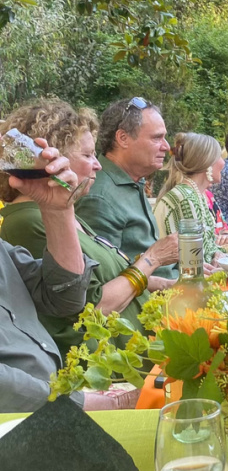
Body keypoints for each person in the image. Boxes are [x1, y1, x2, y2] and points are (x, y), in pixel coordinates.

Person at [0, 99, 177, 360]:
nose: (98, 164)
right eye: (87, 155)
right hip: (113, 370)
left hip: (144, 351)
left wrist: (161, 283)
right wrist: (154, 259)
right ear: (48, 158)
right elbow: (88, 308)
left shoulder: (63, 213)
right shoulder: (28, 222)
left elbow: (102, 277)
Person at [0, 128, 130, 412]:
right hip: (26, 423)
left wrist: (58, 210)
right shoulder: (21, 222)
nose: (97, 164)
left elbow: (65, 299)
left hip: (58, 399)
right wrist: (78, 403)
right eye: (86, 154)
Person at [75, 97, 178, 279]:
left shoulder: (132, 181)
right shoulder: (99, 197)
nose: (166, 146)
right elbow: (105, 280)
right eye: (157, 138)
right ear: (123, 138)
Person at [154, 132, 228, 265]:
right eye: (219, 157)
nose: (223, 163)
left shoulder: (196, 194)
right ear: (207, 162)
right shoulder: (185, 198)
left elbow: (207, 248)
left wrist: (217, 253)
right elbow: (195, 261)